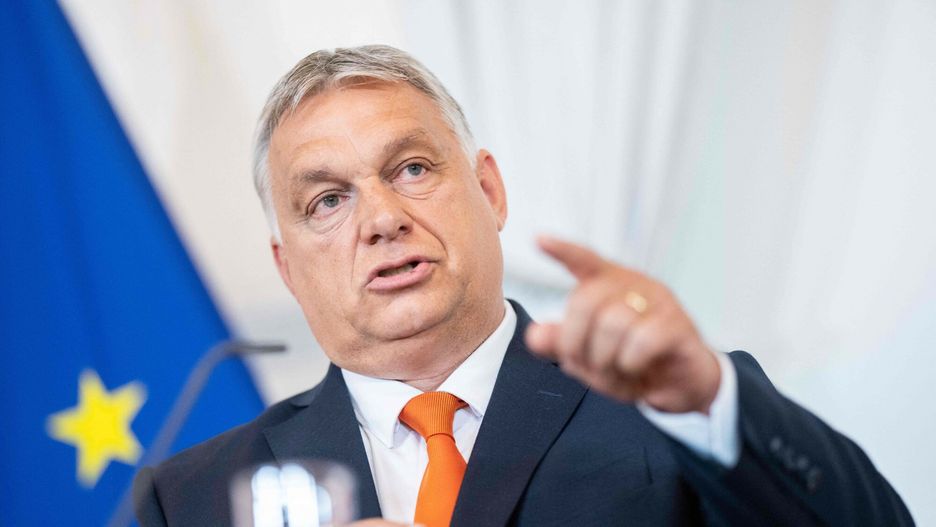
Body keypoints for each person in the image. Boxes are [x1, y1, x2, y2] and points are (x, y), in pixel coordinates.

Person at [133, 45, 913, 526]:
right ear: (286, 267)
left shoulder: (674, 409)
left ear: (491, 192)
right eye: (327, 200)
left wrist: (712, 396)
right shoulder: (195, 496)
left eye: (411, 168)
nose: (381, 219)